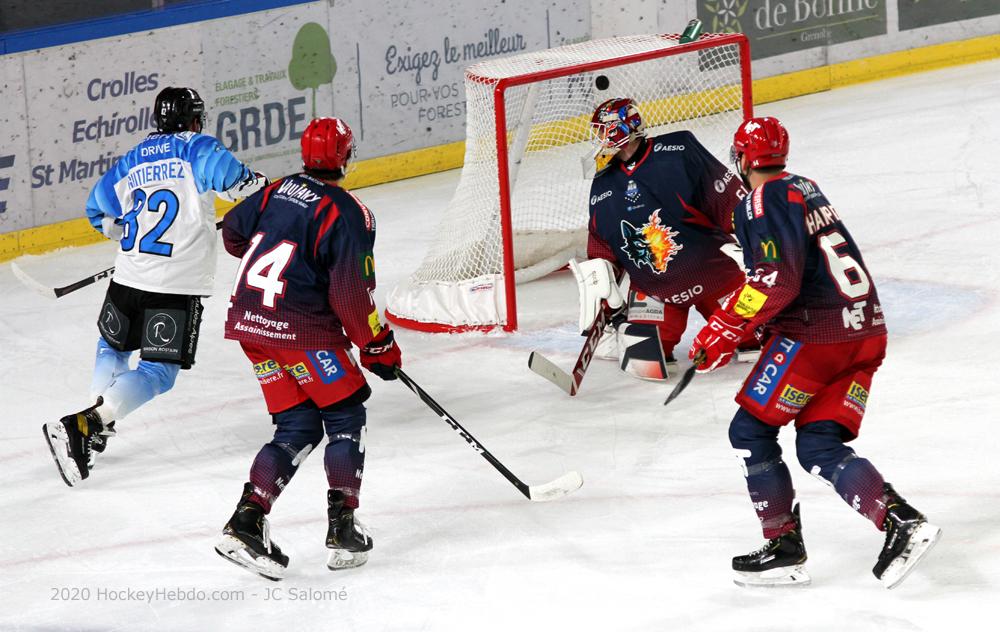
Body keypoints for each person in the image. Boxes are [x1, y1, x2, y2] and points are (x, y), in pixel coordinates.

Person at [689, 116, 941, 589]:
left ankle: (783, 544)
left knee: (750, 431)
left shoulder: (759, 200)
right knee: (819, 444)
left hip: (818, 338)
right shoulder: (805, 186)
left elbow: (776, 279)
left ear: (742, 158)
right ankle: (901, 523)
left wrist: (724, 327)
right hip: (866, 331)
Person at [43, 86, 266, 487]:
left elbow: (97, 210)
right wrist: (270, 189)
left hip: (127, 275)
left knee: (112, 346)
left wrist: (126, 230)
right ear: (194, 119)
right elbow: (241, 185)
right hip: (176, 284)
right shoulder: (197, 148)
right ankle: (88, 423)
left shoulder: (131, 159)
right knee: (158, 371)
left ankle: (98, 423)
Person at [213, 117, 401, 580]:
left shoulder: (275, 189)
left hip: (250, 325)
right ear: (346, 156)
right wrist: (378, 345)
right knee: (344, 415)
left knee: (296, 424)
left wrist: (284, 253)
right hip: (303, 333)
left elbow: (234, 232)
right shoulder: (350, 213)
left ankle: (247, 521)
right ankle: (343, 528)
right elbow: (352, 294)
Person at [576, 97, 758, 381]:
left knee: (761, 340)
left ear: (621, 129)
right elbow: (602, 248)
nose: (598, 139)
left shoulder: (680, 150)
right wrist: (602, 289)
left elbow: (728, 201)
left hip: (715, 276)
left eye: (603, 131)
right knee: (646, 363)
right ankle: (630, 325)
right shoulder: (602, 185)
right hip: (656, 290)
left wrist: (759, 238)